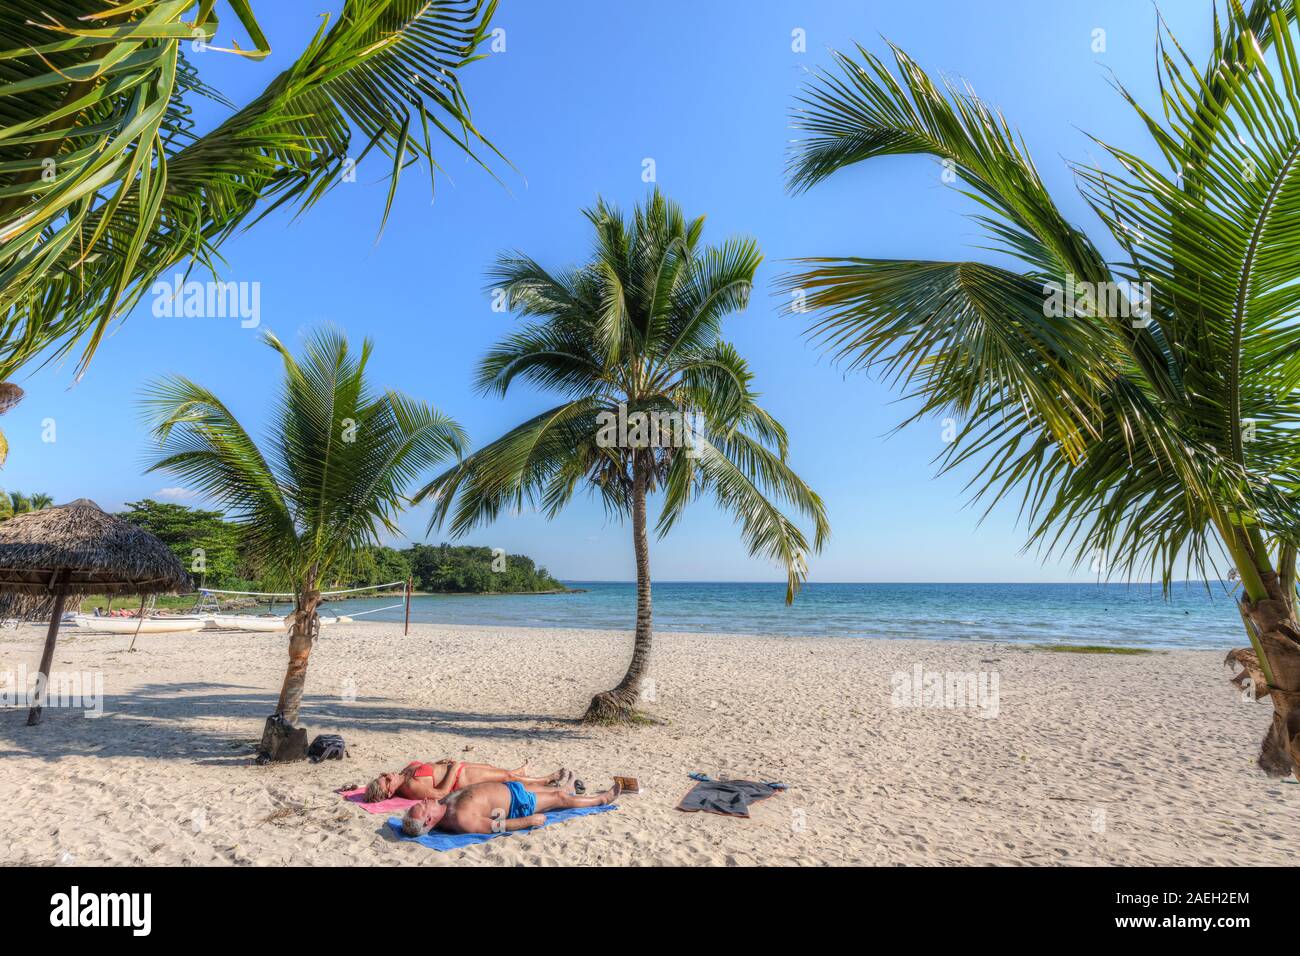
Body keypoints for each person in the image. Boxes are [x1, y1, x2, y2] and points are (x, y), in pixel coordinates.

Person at [401, 778, 621, 836]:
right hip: (519, 804)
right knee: (559, 797)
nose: (422, 802)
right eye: (421, 807)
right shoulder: (460, 819)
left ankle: (569, 791)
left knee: (558, 793)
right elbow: (495, 827)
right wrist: (528, 821)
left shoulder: (440, 805)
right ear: (428, 820)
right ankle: (601, 799)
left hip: (511, 791)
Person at [363, 758, 561, 803]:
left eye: (382, 777)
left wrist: (440, 763)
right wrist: (454, 769)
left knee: (495, 770)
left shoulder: (402, 774)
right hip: (460, 777)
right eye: (386, 781)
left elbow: (429, 769)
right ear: (390, 793)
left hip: (457, 768)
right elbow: (442, 793)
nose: (387, 776)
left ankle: (521, 771)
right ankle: (546, 780)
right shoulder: (412, 787)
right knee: (506, 778)